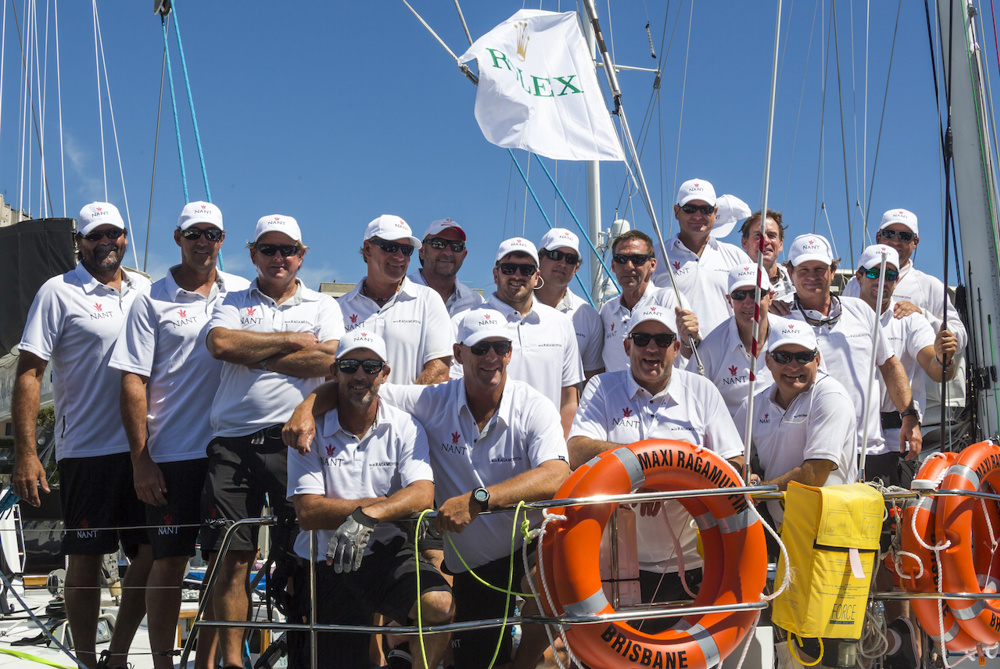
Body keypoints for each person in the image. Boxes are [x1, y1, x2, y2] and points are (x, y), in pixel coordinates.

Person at [283, 309, 571, 669]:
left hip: (526, 550)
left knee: (543, 643)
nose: (492, 357)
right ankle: (400, 649)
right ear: (459, 353)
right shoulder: (429, 401)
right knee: (474, 660)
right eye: (481, 348)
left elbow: (558, 474)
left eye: (500, 346)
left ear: (510, 352)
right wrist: (306, 407)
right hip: (475, 565)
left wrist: (480, 499)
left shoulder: (534, 405)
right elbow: (358, 391)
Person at [12, 202, 152, 669]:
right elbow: (30, 373)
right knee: (86, 561)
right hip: (87, 451)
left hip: (145, 451)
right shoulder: (59, 291)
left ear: (124, 238)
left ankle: (116, 656)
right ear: (80, 243)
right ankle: (88, 661)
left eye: (112, 234)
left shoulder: (147, 290)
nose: (104, 242)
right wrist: (26, 454)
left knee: (151, 555)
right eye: (94, 236)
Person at [109, 202, 249, 669]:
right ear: (178, 237)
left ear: (222, 240)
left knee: (224, 567)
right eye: (194, 234)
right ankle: (164, 664)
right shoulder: (151, 299)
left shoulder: (241, 295)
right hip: (171, 453)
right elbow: (133, 380)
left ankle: (205, 663)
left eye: (212, 234)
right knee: (167, 563)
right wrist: (140, 459)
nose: (203, 242)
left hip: (228, 450)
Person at [202, 214, 344, 669]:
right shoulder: (231, 300)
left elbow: (329, 359)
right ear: (252, 254)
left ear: (302, 256)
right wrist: (287, 340)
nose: (278, 258)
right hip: (233, 443)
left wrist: (257, 354)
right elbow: (222, 344)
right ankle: (233, 663)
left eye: (288, 250)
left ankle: (304, 657)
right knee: (233, 558)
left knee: (304, 557)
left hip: (296, 441)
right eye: (268, 249)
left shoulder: (323, 305)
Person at [286, 329, 453, 669]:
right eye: (349, 366)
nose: (360, 375)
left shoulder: (406, 426)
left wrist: (369, 516)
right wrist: (380, 505)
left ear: (384, 374)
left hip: (385, 551)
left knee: (440, 604)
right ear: (334, 374)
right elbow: (308, 512)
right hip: (327, 559)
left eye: (370, 366)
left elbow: (423, 495)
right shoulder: (309, 430)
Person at [568, 306, 744, 617]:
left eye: (663, 340)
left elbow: (734, 464)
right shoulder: (602, 389)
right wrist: (645, 473)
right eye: (642, 338)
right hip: (614, 561)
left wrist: (662, 480)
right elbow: (578, 449)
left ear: (677, 348)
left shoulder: (702, 391)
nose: (652, 348)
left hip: (692, 562)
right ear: (626, 346)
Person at [784, 233, 922, 482]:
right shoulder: (778, 320)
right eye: (803, 269)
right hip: (812, 454)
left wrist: (909, 416)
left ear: (833, 270)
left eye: (819, 268)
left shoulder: (860, 310)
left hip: (870, 451)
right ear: (790, 272)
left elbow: (889, 365)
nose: (812, 276)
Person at [843, 208, 969, 438]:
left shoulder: (929, 285)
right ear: (878, 236)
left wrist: (923, 314)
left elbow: (959, 336)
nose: (896, 241)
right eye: (890, 233)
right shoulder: (853, 284)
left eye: (905, 236)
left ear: (915, 242)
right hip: (854, 416)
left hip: (908, 415)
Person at [735, 322, 857, 528]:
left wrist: (758, 489)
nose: (793, 366)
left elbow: (814, 474)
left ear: (817, 360)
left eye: (804, 357)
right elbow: (731, 455)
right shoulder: (753, 404)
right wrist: (742, 474)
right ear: (768, 361)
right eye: (783, 357)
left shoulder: (830, 396)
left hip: (831, 532)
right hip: (781, 529)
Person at [464, 237, 583, 437]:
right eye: (509, 269)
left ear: (537, 276)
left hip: (545, 448)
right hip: (483, 448)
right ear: (496, 274)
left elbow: (569, 398)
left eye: (526, 270)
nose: (517, 275)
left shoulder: (561, 324)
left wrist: (561, 453)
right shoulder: (467, 322)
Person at [852, 244, 958, 450]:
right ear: (859, 277)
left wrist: (944, 359)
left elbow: (936, 370)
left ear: (897, 281)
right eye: (874, 273)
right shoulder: (840, 317)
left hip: (896, 439)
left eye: (890, 275)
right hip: (848, 439)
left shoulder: (910, 321)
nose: (881, 280)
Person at [339, 214, 452, 385]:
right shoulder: (339, 308)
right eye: (390, 247)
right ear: (368, 249)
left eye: (406, 250)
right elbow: (329, 373)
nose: (400, 256)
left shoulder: (428, 301)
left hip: (411, 412)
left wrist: (401, 410)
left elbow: (440, 370)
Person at [653, 178, 753, 334]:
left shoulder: (737, 258)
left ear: (715, 212)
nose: (698, 215)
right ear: (677, 212)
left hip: (726, 356)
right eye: (690, 209)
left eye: (705, 209)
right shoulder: (656, 257)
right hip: (673, 356)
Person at [691, 265, 793, 416]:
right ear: (729, 300)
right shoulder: (710, 348)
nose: (748, 302)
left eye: (756, 294)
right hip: (731, 437)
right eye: (739, 295)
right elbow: (691, 399)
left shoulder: (793, 336)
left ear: (771, 296)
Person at [600, 229, 698, 372]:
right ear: (613, 266)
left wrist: (689, 340)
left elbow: (692, 353)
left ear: (652, 265)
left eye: (637, 259)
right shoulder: (606, 311)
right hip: (617, 393)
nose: (628, 266)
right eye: (621, 259)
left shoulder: (668, 300)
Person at [534, 227, 605, 379]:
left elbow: (592, 379)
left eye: (570, 259)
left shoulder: (589, 316)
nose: (562, 263)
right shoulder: (514, 307)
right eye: (555, 255)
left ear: (576, 268)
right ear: (538, 259)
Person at [408, 217, 484, 316]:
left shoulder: (476, 303)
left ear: (464, 255)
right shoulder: (399, 293)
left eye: (456, 246)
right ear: (422, 251)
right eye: (438, 244)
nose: (448, 253)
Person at [740, 209, 794, 302]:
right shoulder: (733, 281)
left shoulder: (797, 280)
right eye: (758, 235)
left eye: (772, 235)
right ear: (744, 242)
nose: (765, 241)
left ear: (780, 244)